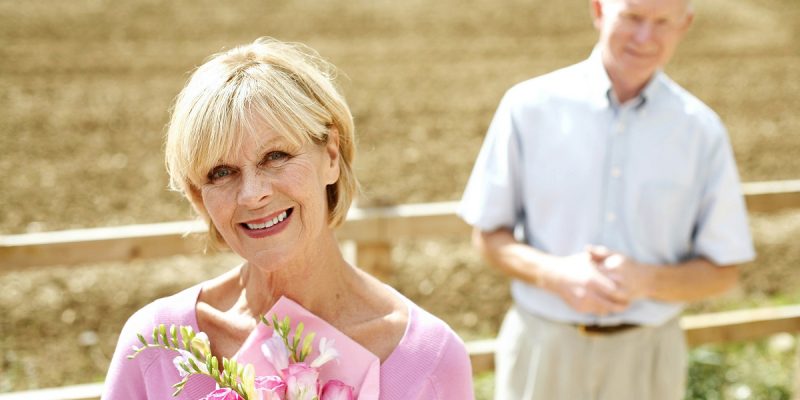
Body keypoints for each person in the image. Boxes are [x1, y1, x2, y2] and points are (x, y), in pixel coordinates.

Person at [103, 37, 474, 399]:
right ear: (199, 195)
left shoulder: (430, 360)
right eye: (221, 172)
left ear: (330, 155)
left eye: (276, 156)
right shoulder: (153, 347)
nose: (252, 194)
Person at [459, 0, 755, 399]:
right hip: (543, 348)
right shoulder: (528, 106)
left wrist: (648, 280)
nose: (645, 37)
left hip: (649, 357)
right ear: (598, 10)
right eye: (631, 17)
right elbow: (488, 235)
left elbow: (723, 270)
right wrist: (555, 274)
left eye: (662, 22)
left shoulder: (702, 132)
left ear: (685, 25)